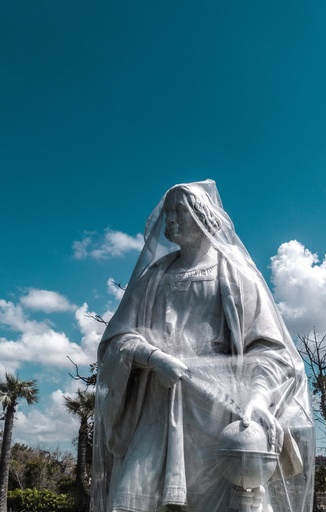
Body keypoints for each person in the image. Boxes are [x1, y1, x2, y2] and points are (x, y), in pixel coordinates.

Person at [91, 180, 314, 512]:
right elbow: (118, 340)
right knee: (133, 498)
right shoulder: (154, 278)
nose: (170, 220)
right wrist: (153, 357)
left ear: (204, 215)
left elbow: (270, 350)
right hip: (155, 409)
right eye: (168, 212)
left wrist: (257, 397)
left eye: (180, 211)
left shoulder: (237, 276)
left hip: (217, 417)